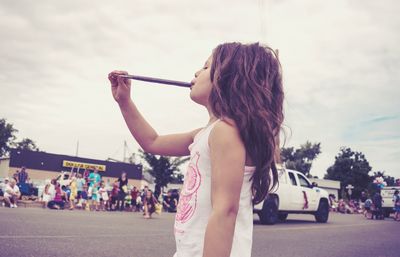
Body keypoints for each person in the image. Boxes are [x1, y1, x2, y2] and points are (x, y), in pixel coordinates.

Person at [108, 42, 284, 257]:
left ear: (228, 79)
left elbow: (225, 211)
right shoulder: (206, 133)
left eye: (206, 67)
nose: (196, 72)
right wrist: (124, 101)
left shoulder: (225, 132)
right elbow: (152, 142)